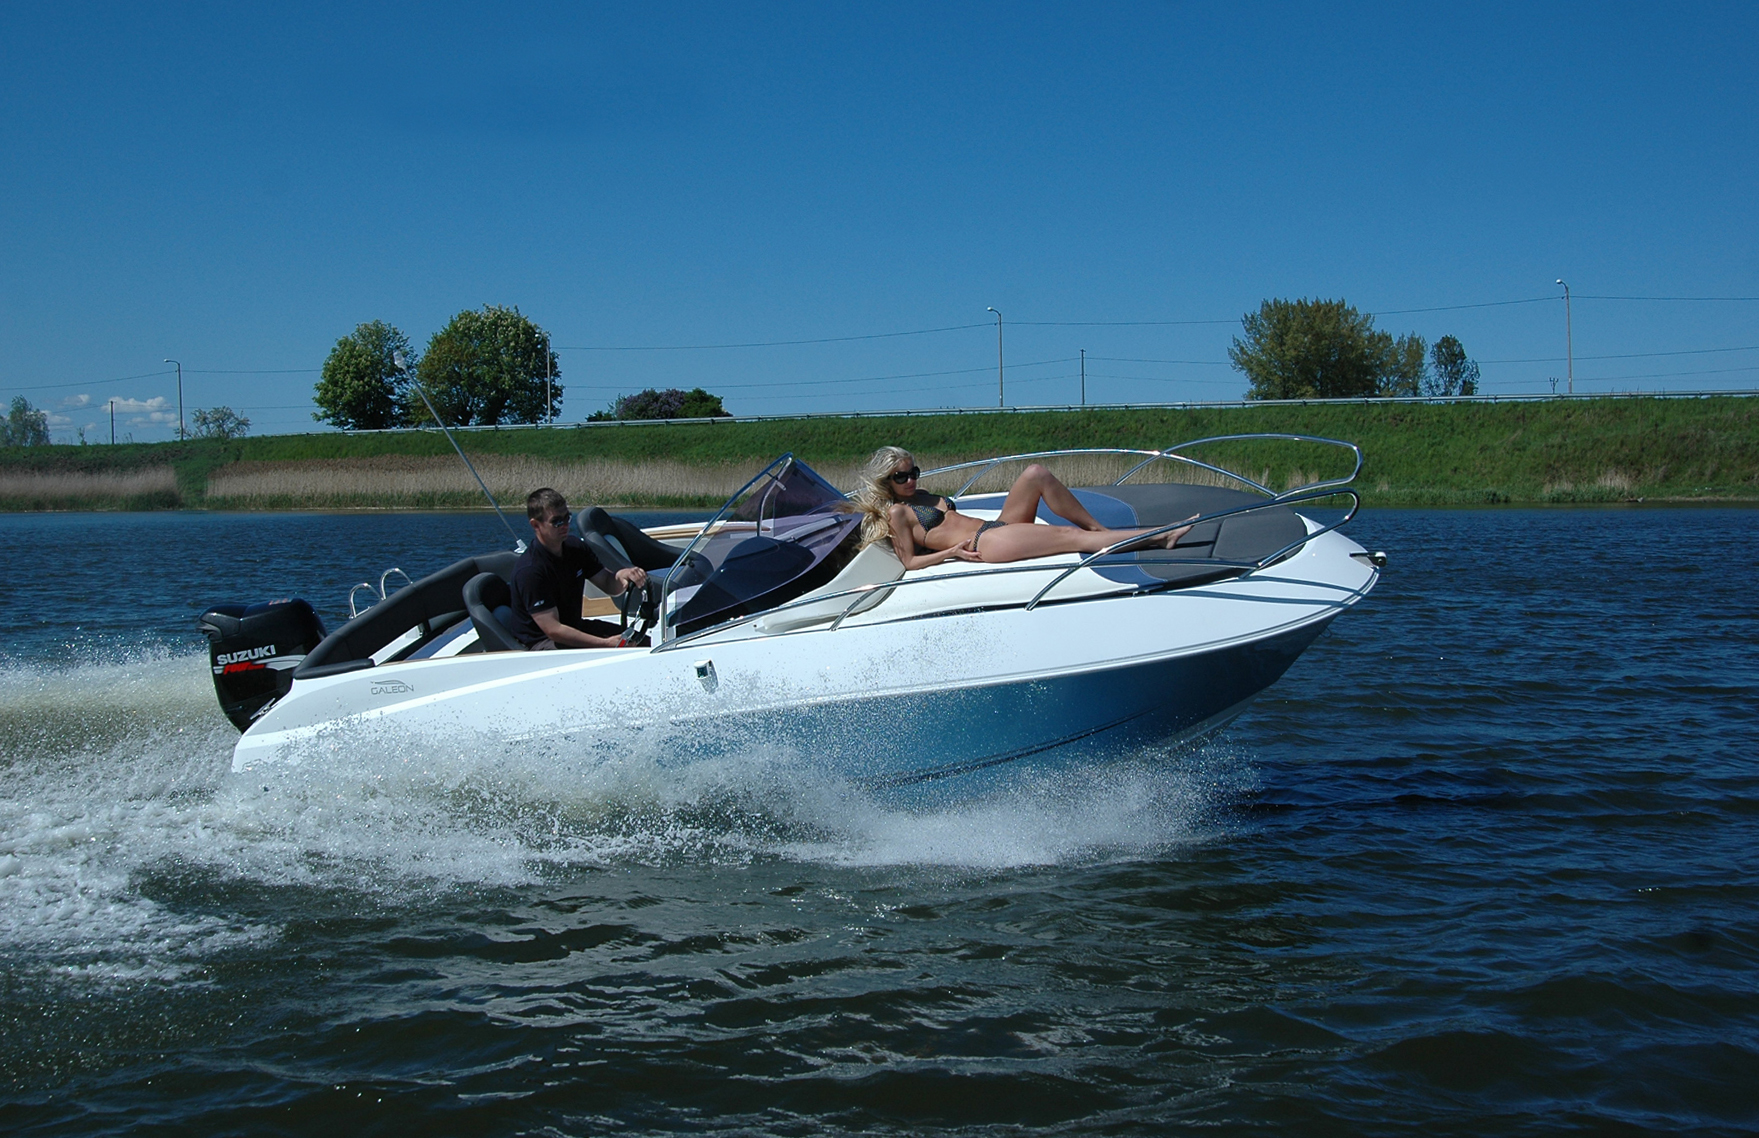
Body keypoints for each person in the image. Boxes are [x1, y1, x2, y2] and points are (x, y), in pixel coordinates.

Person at [849, 446, 1195, 571]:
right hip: (986, 544)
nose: (910, 480)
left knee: (1035, 474)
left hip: (996, 527)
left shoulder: (921, 495)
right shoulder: (897, 514)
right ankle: (1159, 536)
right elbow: (909, 562)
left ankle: (1099, 531)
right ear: (887, 480)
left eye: (914, 472)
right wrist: (951, 553)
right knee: (1067, 536)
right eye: (901, 477)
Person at [509, 488, 649, 649]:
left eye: (567, 518)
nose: (565, 525)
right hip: (541, 643)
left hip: (573, 627)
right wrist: (606, 644)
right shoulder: (530, 571)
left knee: (643, 642)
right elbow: (553, 630)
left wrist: (623, 576)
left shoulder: (575, 548)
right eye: (557, 522)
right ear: (536, 525)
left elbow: (607, 583)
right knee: (623, 649)